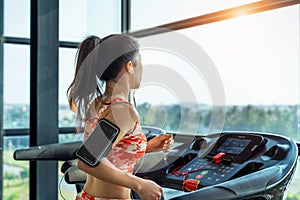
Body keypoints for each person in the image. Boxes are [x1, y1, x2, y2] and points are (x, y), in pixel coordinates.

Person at [67, 34, 174, 200]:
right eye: (140, 62)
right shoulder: (122, 111)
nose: (142, 68)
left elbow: (107, 152)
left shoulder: (99, 103)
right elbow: (87, 160)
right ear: (130, 66)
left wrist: (146, 147)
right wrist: (140, 184)